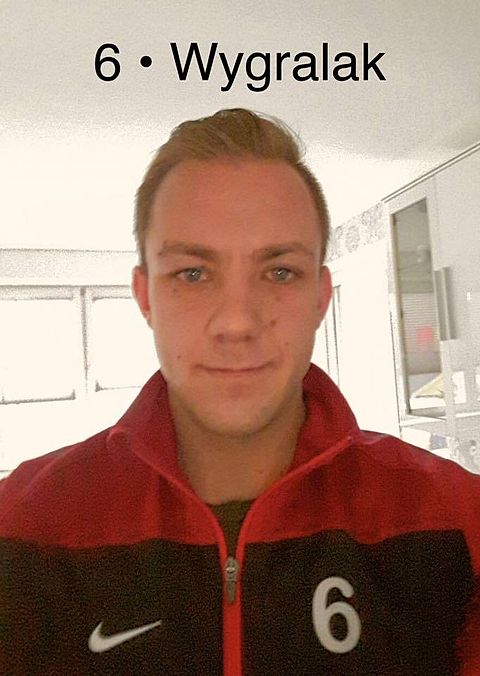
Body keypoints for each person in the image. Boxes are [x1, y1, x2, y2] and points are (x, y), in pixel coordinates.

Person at [1, 108, 480, 676]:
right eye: (193, 273)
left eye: (279, 272)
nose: (237, 323)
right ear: (146, 297)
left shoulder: (458, 519)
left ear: (320, 299)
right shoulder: (22, 525)